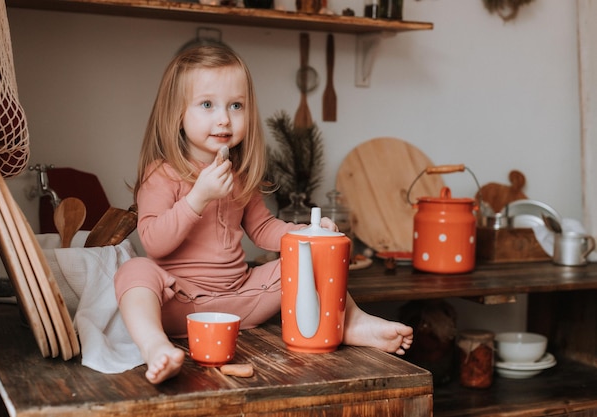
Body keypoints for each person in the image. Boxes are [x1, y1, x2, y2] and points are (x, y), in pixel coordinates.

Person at [114, 44, 413, 384]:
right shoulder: (162, 174)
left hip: (240, 301)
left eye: (236, 105)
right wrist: (197, 198)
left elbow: (264, 228)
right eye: (207, 104)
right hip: (179, 306)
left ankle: (351, 322)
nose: (224, 118)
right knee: (134, 270)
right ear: (176, 114)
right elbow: (153, 243)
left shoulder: (238, 176)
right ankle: (155, 346)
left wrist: (307, 236)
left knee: (306, 260)